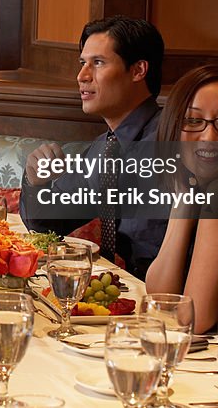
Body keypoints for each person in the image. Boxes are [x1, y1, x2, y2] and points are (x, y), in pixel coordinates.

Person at [19, 16, 167, 279]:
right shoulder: (104, 148)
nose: (81, 76)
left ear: (138, 70)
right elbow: (47, 225)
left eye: (98, 63)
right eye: (82, 63)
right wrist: (35, 181)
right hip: (112, 294)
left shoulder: (171, 141)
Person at [143, 65, 218, 333]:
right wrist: (183, 199)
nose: (209, 137)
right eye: (193, 121)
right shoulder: (197, 189)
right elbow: (161, 297)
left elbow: (193, 320)